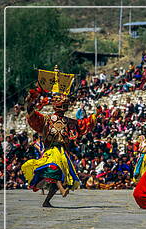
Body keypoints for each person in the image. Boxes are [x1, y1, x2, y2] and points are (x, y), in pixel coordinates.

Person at [21, 69, 100, 207]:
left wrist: (95, 116)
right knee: (54, 168)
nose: (63, 107)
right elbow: (31, 114)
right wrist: (29, 101)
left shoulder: (69, 122)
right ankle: (62, 189)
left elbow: (82, 125)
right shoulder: (46, 119)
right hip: (51, 150)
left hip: (63, 152)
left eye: (65, 105)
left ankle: (47, 201)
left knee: (60, 176)